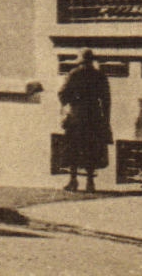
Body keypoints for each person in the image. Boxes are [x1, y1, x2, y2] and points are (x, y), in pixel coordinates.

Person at [58, 49, 112, 192]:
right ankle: (90, 182)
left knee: (73, 148)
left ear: (80, 60)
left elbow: (62, 94)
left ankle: (73, 180)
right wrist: (106, 120)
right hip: (94, 115)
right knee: (91, 149)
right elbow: (106, 100)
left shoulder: (74, 74)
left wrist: (70, 102)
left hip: (77, 115)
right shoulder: (100, 75)